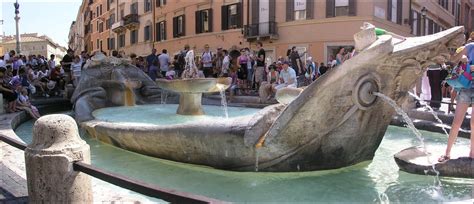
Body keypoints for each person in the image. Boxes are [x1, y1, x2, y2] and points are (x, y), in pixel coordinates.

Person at [439, 34, 474, 162]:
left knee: (473, 123)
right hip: (465, 87)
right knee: (456, 122)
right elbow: (452, 60)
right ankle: (447, 153)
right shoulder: (470, 47)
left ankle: (472, 154)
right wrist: (462, 59)